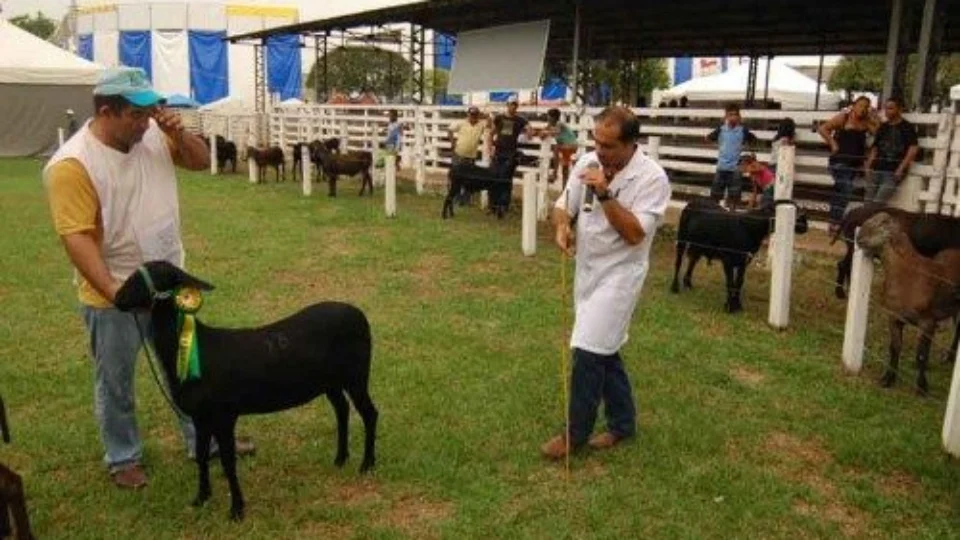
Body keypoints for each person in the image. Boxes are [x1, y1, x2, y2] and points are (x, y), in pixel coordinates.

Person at [42, 67, 254, 490]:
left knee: (188, 368)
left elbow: (199, 161)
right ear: (106, 110)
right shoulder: (72, 164)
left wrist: (177, 134)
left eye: (150, 111)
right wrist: (116, 293)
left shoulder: (154, 134)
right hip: (116, 291)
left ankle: (202, 440)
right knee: (116, 380)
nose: (147, 121)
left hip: (170, 281)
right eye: (135, 115)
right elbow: (77, 238)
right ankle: (123, 457)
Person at [541, 106, 671, 460]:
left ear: (631, 144)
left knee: (587, 351)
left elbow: (633, 234)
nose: (600, 151)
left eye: (609, 145)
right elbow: (563, 205)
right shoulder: (586, 163)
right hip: (587, 270)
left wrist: (604, 194)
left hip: (620, 274)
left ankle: (575, 434)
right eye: (597, 141)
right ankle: (623, 424)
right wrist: (562, 225)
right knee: (605, 349)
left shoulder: (652, 179)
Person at [817, 95, 878, 233]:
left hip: (854, 164)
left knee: (841, 192)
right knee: (846, 188)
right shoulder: (844, 117)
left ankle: (833, 223)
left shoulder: (866, 122)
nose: (863, 109)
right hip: (839, 161)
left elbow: (879, 133)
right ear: (854, 105)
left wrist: (875, 117)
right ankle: (836, 222)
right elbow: (823, 129)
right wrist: (833, 143)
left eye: (866, 107)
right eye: (861, 105)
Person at [864, 96, 919, 203]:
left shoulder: (907, 127)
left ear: (899, 109)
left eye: (890, 108)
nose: (887, 112)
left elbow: (913, 148)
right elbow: (875, 147)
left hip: (893, 171)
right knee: (868, 199)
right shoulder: (883, 126)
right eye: (886, 108)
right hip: (876, 168)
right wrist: (868, 166)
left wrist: (901, 168)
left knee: (879, 201)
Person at [487, 95, 535, 213]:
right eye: (511, 104)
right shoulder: (499, 118)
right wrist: (490, 149)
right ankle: (492, 205)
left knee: (507, 179)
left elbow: (529, 129)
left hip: (510, 155)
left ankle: (504, 205)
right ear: (507, 105)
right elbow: (491, 133)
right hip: (498, 152)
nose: (513, 107)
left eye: (515, 105)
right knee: (494, 178)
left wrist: (530, 132)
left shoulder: (519, 120)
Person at [706, 103, 757, 210]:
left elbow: (754, 140)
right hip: (721, 167)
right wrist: (720, 146)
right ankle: (713, 215)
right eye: (730, 115)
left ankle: (731, 215)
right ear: (726, 116)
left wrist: (749, 154)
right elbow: (708, 138)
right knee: (715, 196)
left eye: (735, 115)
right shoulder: (720, 129)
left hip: (735, 169)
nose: (732, 117)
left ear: (739, 117)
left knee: (734, 198)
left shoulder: (743, 130)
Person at [544, 108, 579, 187]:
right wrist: (541, 133)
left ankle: (555, 173)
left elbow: (557, 131)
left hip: (570, 146)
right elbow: (543, 132)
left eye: (549, 117)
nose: (548, 119)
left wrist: (546, 133)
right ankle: (564, 189)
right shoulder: (550, 125)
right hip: (565, 148)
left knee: (556, 148)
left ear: (554, 118)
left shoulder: (559, 123)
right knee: (565, 169)